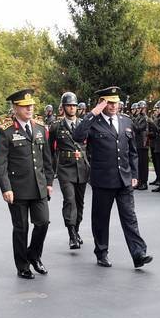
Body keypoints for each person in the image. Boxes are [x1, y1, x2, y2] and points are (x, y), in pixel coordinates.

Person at [73, 86, 153, 269]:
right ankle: (101, 252)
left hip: (124, 178)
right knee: (101, 219)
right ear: (102, 103)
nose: (113, 106)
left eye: (115, 102)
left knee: (129, 217)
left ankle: (138, 253)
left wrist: (134, 174)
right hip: (103, 179)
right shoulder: (93, 122)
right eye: (109, 102)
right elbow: (77, 135)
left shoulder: (126, 121)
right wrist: (93, 113)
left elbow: (132, 151)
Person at [0, 89, 55, 279]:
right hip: (18, 189)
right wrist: (6, 188)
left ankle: (34, 255)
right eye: (25, 106)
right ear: (15, 108)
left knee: (43, 222)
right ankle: (22, 265)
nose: (29, 108)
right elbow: (1, 163)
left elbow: (47, 159)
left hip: (39, 186)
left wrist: (49, 182)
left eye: (31, 105)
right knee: (21, 228)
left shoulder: (39, 129)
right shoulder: (6, 132)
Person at [48, 91, 90, 249]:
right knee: (70, 200)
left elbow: (91, 148)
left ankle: (77, 230)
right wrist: (50, 175)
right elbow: (49, 152)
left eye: (74, 105)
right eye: (69, 105)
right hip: (65, 168)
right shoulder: (56, 127)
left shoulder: (84, 125)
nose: (72, 108)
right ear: (63, 107)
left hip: (82, 168)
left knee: (80, 203)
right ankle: (71, 234)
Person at [132, 100, 150, 190]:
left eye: (139, 108)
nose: (138, 109)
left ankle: (144, 182)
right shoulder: (138, 117)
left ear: (143, 108)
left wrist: (131, 123)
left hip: (143, 144)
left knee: (143, 165)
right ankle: (139, 181)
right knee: (138, 164)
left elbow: (139, 128)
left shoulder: (145, 118)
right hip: (137, 143)